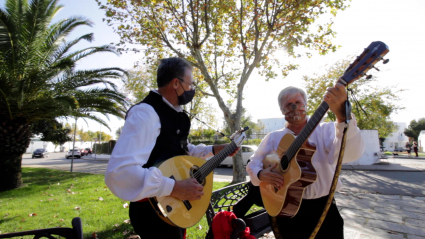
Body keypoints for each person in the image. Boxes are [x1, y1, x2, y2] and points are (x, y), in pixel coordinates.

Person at [105, 57, 238, 239]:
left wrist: (215, 149)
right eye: (190, 84)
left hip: (174, 208)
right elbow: (120, 172)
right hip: (152, 213)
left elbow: (179, 150)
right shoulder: (145, 113)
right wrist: (174, 187)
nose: (192, 90)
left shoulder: (176, 113)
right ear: (176, 83)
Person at [246, 85, 365, 239]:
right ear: (282, 110)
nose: (295, 107)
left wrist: (343, 119)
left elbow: (350, 153)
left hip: (323, 208)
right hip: (283, 208)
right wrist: (261, 174)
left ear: (306, 105)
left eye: (298, 102)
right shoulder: (273, 137)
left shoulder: (327, 130)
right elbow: (253, 163)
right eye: (288, 104)